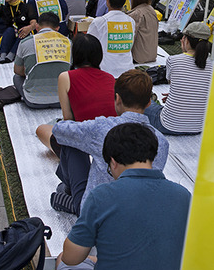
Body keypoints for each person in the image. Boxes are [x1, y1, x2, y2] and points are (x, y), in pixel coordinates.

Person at [56, 121, 189, 270]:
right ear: (151, 155)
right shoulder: (183, 196)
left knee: (63, 261)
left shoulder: (102, 197)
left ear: (113, 162)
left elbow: (71, 258)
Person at [36, 69, 168, 215]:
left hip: (96, 209)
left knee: (72, 141)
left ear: (117, 98)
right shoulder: (161, 141)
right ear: (149, 102)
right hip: (135, 211)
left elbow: (60, 131)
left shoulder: (102, 128)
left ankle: (74, 200)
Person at [144, 22, 214, 135]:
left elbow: (173, 83)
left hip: (168, 125)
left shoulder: (174, 60)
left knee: (141, 101)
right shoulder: (212, 67)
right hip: (197, 128)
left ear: (185, 40)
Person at [12, 12, 72, 108]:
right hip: (62, 100)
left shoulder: (25, 42)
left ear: (37, 27)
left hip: (33, 101)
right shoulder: (68, 42)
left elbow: (18, 71)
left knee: (17, 78)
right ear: (57, 28)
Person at [57, 33, 116, 122]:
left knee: (42, 129)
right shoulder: (110, 78)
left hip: (85, 130)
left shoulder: (65, 77)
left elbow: (67, 117)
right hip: (112, 129)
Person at [87, 0, 135, 79]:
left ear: (107, 0)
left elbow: (88, 46)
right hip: (128, 71)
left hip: (105, 72)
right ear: (125, 1)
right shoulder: (131, 21)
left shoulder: (99, 22)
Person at [128, 0, 159, 64]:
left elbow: (130, 37)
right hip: (152, 55)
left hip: (138, 57)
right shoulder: (152, 10)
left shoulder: (136, 14)